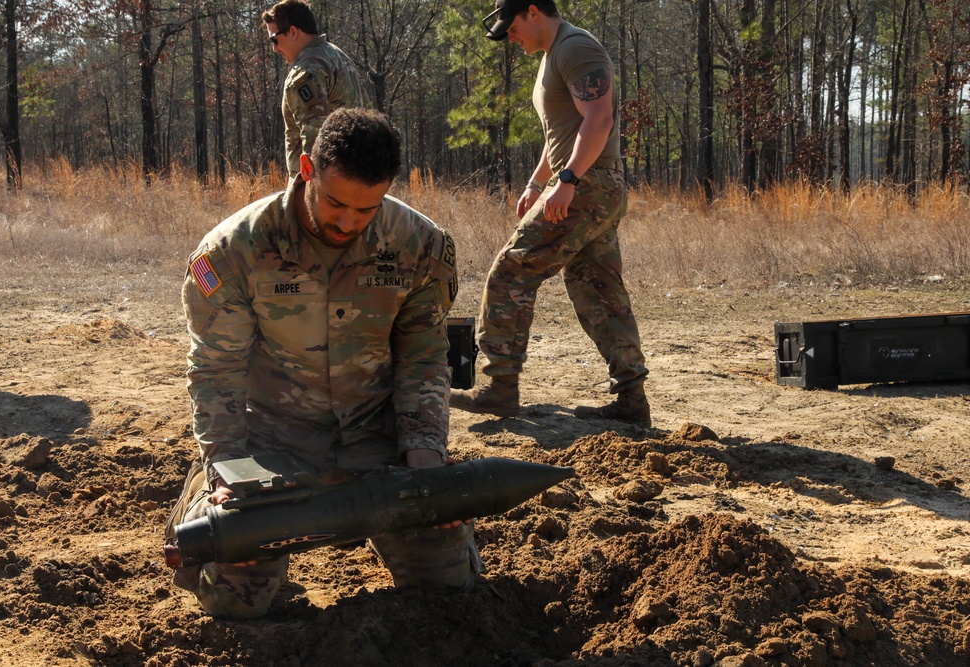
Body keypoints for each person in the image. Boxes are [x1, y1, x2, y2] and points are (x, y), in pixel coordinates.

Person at [165, 108, 478, 620]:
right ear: (307, 169)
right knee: (234, 598)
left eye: (366, 209)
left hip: (377, 436)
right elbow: (216, 370)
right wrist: (226, 466)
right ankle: (199, 493)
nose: (348, 222)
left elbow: (424, 358)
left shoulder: (421, 246)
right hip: (274, 443)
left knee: (447, 589)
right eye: (335, 203)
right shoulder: (233, 251)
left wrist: (425, 455)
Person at [450, 0, 650, 425]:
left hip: (588, 184)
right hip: (587, 183)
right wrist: (538, 182)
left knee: (510, 271)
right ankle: (632, 401)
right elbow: (561, 130)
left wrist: (569, 180)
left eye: (514, 26)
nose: (511, 36)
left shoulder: (576, 48)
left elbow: (599, 119)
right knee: (597, 290)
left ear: (535, 11)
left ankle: (499, 387)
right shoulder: (551, 56)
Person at [262, 0, 367, 179]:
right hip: (357, 176)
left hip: (324, 186)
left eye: (275, 39)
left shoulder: (305, 71)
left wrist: (310, 192)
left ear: (293, 32)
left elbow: (315, 138)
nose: (274, 48)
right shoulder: (336, 55)